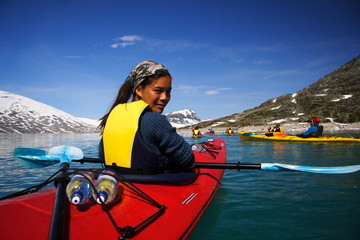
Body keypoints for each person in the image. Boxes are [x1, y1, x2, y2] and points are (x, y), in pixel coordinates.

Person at [98, 60, 194, 174]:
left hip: (117, 184)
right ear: (139, 90)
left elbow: (102, 156)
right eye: (158, 91)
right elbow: (188, 160)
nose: (165, 97)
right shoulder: (153, 119)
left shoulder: (111, 118)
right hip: (150, 187)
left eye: (168, 92)